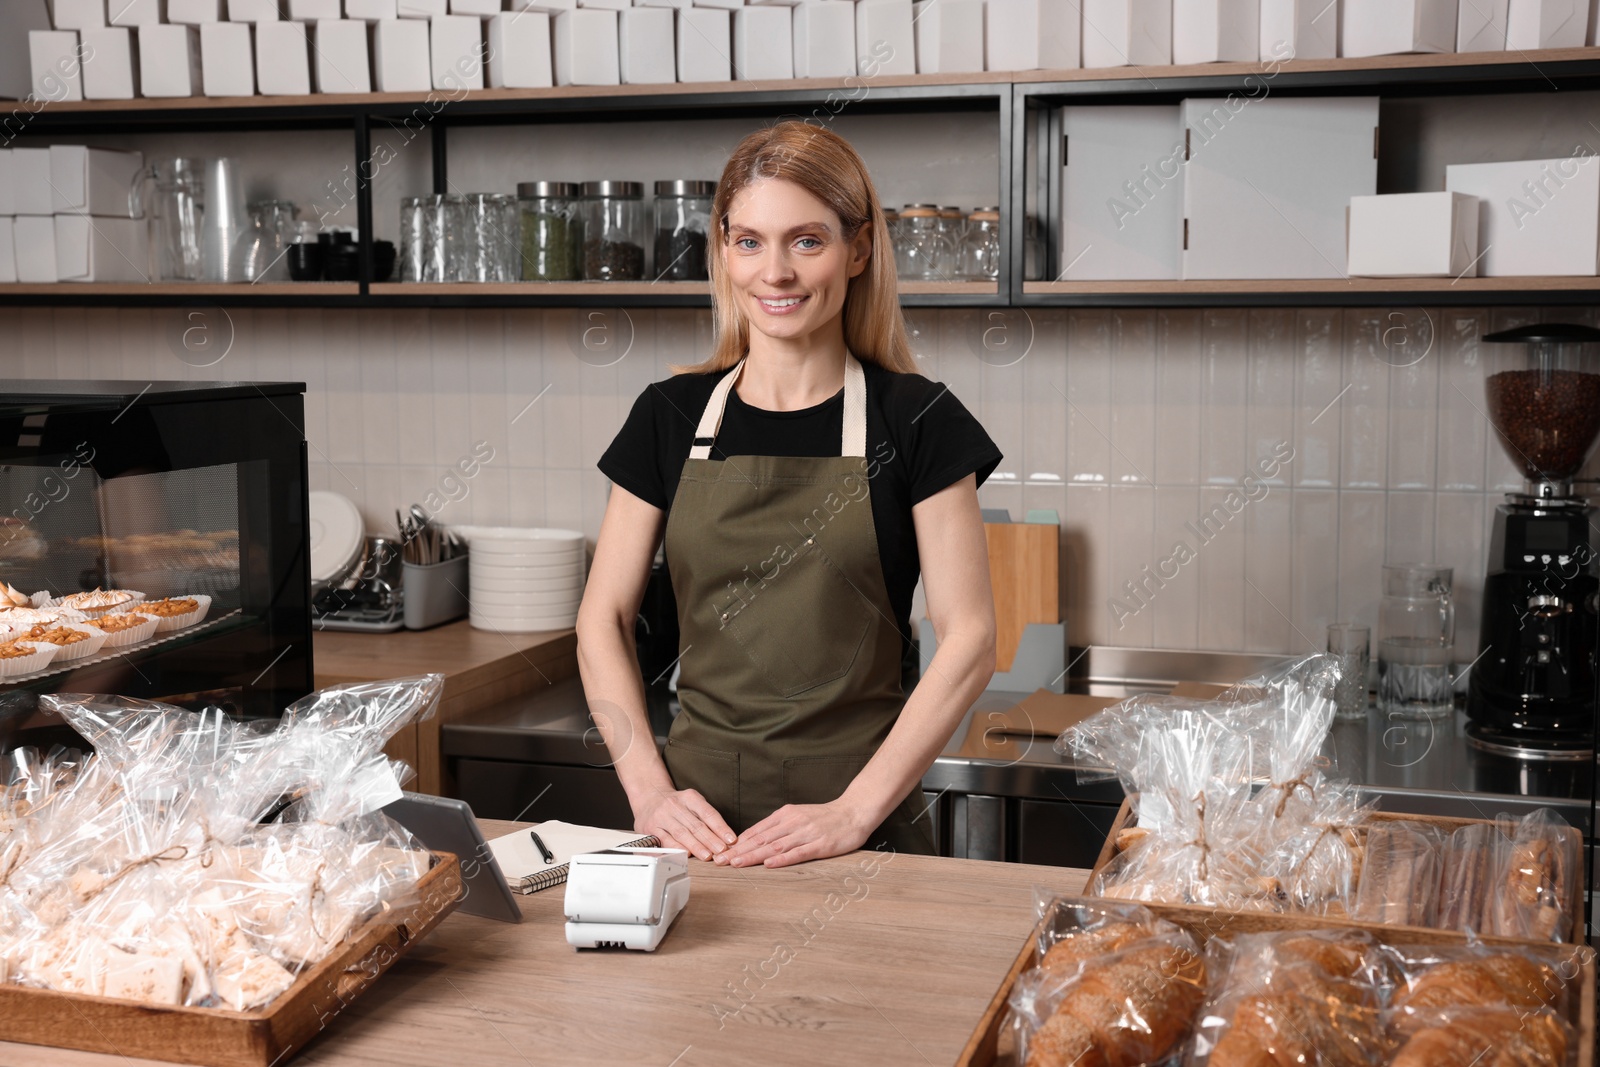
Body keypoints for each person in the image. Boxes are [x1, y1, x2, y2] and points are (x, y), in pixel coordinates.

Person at [576, 121, 1001, 870]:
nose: (775, 272)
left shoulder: (917, 419)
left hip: (859, 833)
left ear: (859, 249)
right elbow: (601, 619)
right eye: (749, 242)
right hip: (695, 833)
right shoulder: (669, 416)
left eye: (807, 241)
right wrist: (648, 793)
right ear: (723, 250)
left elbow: (969, 638)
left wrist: (855, 811)